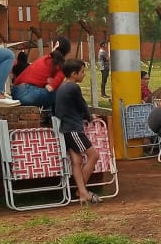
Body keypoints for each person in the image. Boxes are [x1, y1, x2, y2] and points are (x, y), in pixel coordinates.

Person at [56, 58, 101, 204]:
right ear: (74, 74)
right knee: (93, 156)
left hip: (66, 128)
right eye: (82, 72)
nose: (84, 74)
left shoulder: (61, 87)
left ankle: (82, 193)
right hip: (74, 129)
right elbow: (82, 105)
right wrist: (89, 116)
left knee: (77, 161)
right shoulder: (73, 87)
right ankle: (81, 190)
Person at [11, 37, 70, 111]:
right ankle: (56, 118)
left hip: (15, 92)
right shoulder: (61, 66)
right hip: (28, 94)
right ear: (67, 52)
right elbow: (50, 88)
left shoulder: (45, 58)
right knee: (63, 92)